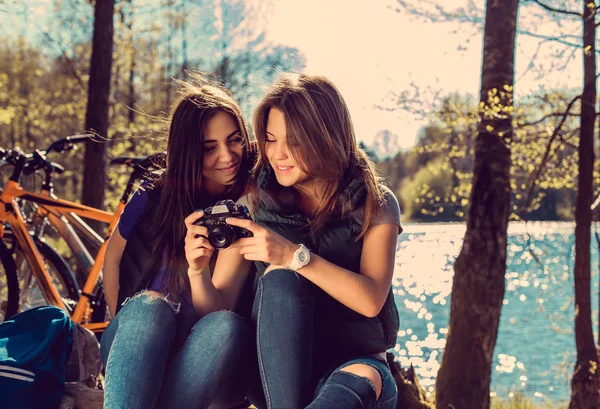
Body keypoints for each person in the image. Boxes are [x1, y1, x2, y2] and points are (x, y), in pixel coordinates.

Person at [189, 73, 402, 409]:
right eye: (271, 140)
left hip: (353, 362)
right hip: (272, 375)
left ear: (327, 137)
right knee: (281, 280)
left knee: (365, 376)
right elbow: (219, 312)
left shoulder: (377, 203)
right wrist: (197, 271)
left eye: (295, 142)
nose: (278, 154)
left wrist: (293, 255)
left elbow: (371, 300)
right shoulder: (253, 202)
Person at [101, 76, 256, 409]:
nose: (228, 156)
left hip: (202, 357)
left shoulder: (243, 207)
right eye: (209, 147)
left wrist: (197, 271)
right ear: (188, 151)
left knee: (227, 326)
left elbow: (217, 314)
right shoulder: (151, 196)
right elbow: (111, 259)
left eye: (234, 140)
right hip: (135, 341)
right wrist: (122, 321)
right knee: (149, 308)